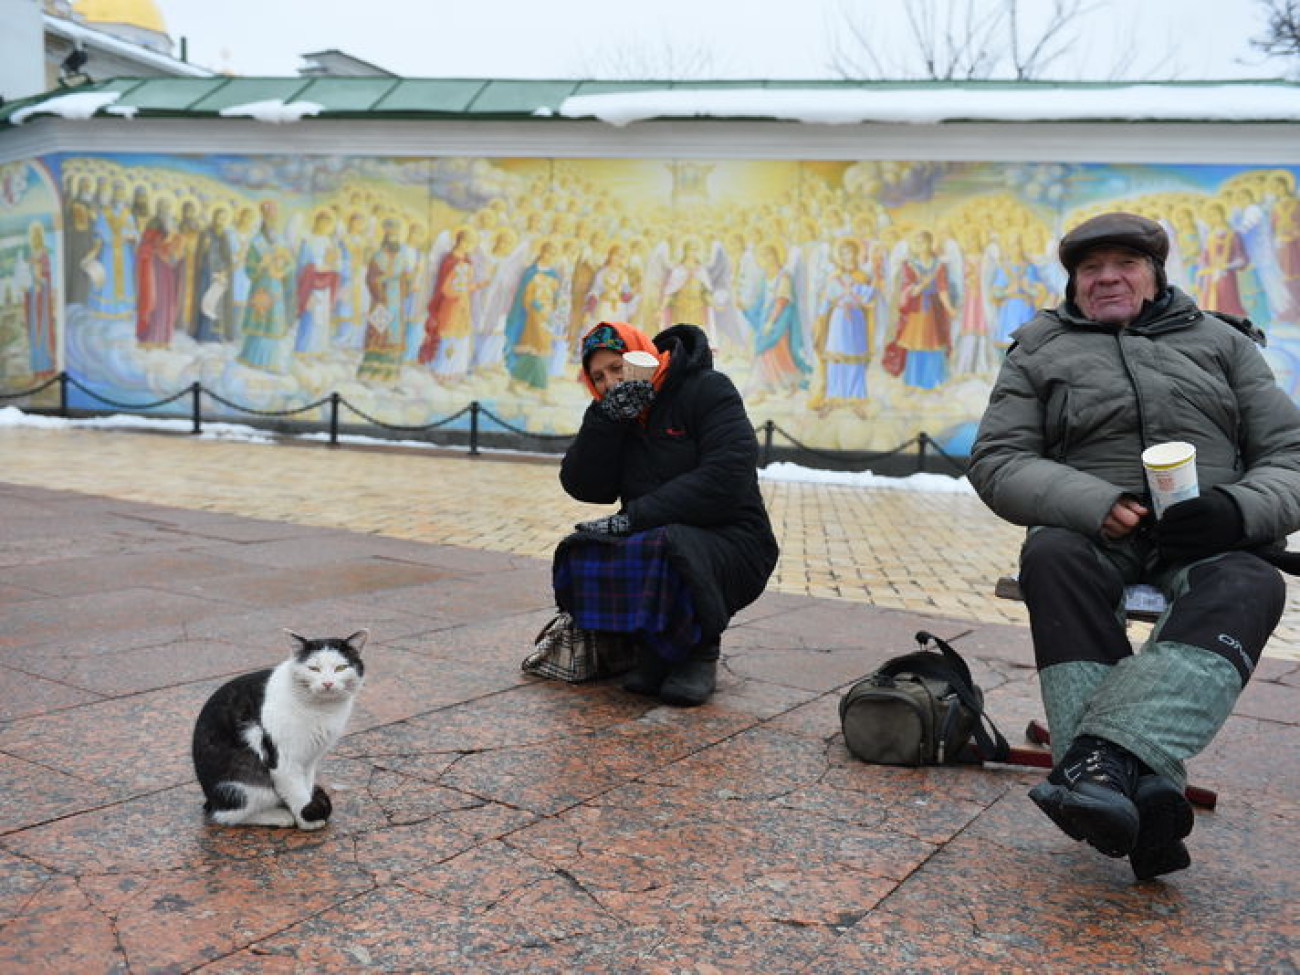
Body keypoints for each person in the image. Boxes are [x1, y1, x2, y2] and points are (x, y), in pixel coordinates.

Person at [968, 211, 1300, 881]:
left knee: (1252, 582)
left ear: (1155, 275)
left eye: (1125, 263)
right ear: (1074, 283)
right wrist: (1095, 505)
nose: (1108, 276)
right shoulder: (1038, 346)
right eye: (1091, 268)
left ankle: (1100, 767)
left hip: (1210, 530)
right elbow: (999, 458)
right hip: (1096, 531)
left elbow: (1290, 454)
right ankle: (1144, 786)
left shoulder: (1224, 343)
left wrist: (1233, 511)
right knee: (1051, 555)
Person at [554, 320, 779, 707]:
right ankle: (652, 646)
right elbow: (583, 485)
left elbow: (727, 473)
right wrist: (606, 421)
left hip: (733, 537)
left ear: (641, 356)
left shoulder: (708, 390)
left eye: (617, 368)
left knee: (664, 544)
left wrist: (634, 518)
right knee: (583, 549)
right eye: (598, 377)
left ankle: (698, 651)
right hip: (654, 529)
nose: (609, 382)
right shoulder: (617, 414)